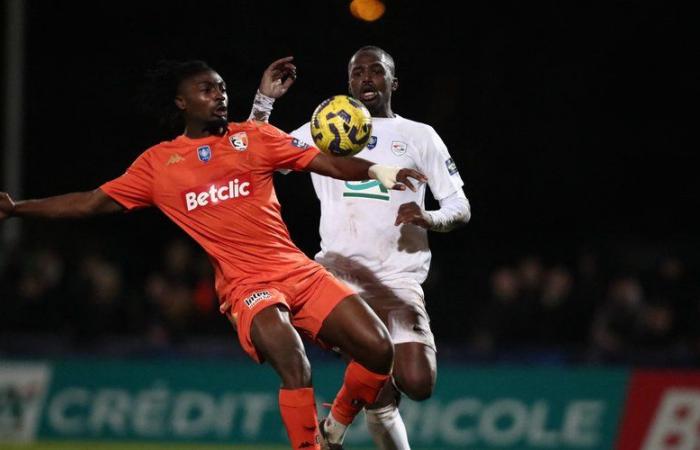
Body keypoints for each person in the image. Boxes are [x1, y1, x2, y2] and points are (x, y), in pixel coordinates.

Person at [0, 57, 428, 450]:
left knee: (378, 350)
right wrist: (18, 209)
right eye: (207, 89)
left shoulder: (255, 138)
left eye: (222, 88)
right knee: (293, 359)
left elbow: (330, 163)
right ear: (181, 101)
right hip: (247, 287)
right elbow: (92, 202)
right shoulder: (158, 165)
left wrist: (378, 169)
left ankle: (333, 425)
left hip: (297, 270)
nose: (219, 94)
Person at [248, 46, 470, 449]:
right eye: (357, 73)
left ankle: (334, 424)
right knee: (379, 393)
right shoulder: (322, 129)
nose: (366, 78)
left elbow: (459, 205)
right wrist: (263, 103)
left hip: (398, 279)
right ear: (348, 83)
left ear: (393, 82)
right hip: (338, 277)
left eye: (376, 71)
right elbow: (252, 154)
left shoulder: (419, 136)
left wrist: (430, 218)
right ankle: (335, 426)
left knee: (416, 383)